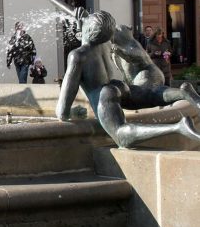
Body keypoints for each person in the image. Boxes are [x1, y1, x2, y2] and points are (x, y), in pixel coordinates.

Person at [57, 9, 200, 149]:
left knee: (121, 135)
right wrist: (84, 24)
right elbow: (94, 35)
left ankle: (178, 127)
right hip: (119, 87)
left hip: (104, 96)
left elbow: (63, 110)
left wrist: (71, 112)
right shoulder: (105, 44)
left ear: (88, 30)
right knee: (151, 94)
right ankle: (183, 92)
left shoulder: (77, 56)